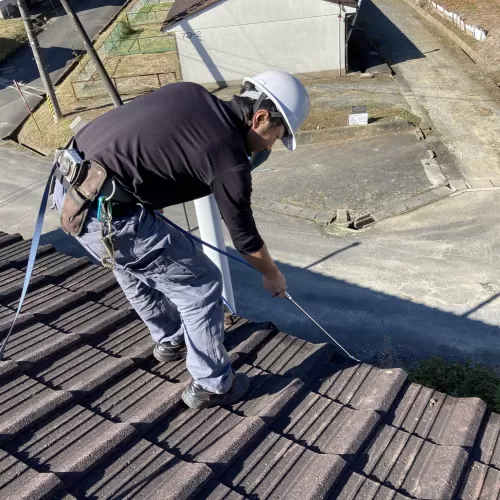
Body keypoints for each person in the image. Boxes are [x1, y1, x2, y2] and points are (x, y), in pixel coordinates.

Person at [53, 70, 310, 409]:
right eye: (276, 135)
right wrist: (271, 273)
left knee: (131, 267)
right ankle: (212, 384)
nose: (271, 146)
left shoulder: (190, 93)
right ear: (260, 117)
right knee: (201, 283)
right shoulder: (229, 158)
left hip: (68, 187)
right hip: (108, 212)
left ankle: (171, 340)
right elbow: (244, 236)